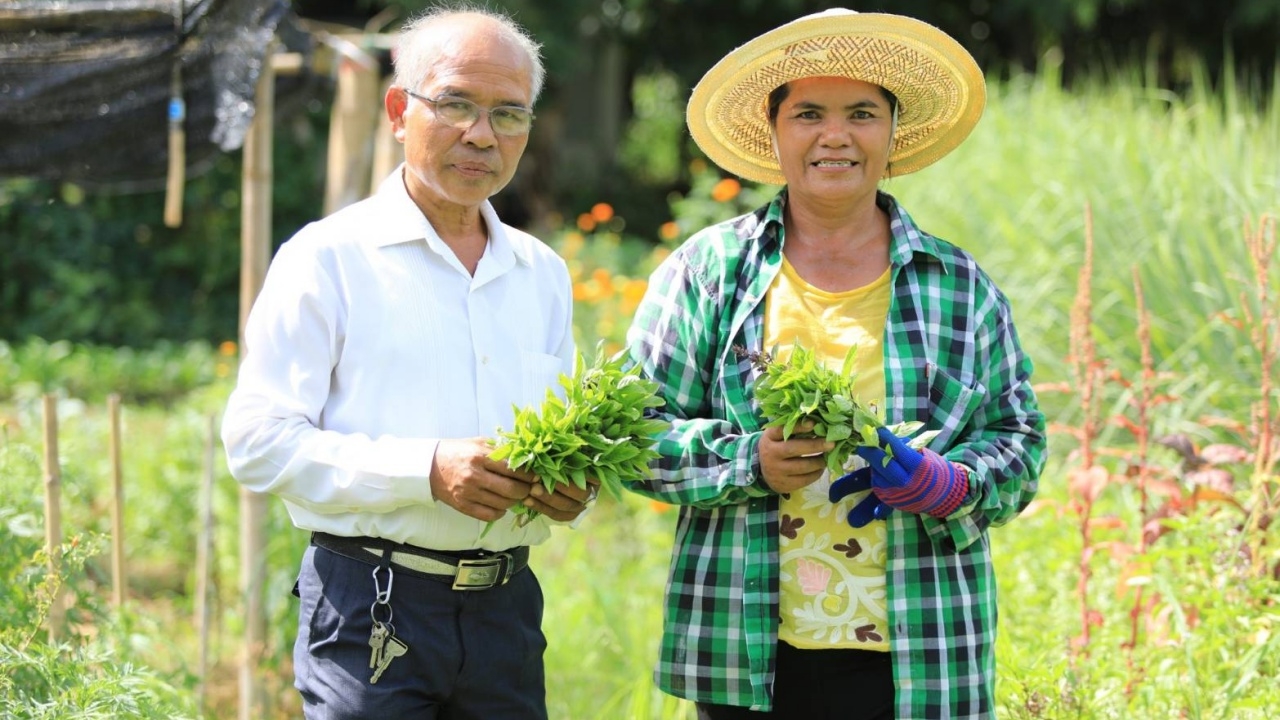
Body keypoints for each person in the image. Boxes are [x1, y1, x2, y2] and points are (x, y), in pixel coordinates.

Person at [624, 9, 1047, 720]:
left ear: (890, 131)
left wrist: (947, 484)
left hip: (921, 656)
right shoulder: (709, 271)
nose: (835, 136)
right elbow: (633, 436)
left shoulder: (957, 283)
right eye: (809, 113)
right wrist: (746, 461)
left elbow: (1021, 439)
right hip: (747, 656)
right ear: (776, 129)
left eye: (862, 113)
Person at [221, 5, 595, 718]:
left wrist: (571, 488)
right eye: (455, 103)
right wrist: (425, 470)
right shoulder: (326, 258)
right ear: (399, 110)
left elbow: (559, 435)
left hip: (506, 611)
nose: (480, 134)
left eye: (507, 115)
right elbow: (256, 443)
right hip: (373, 607)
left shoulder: (540, 272)